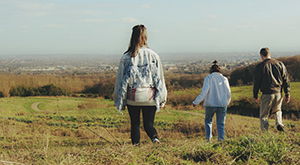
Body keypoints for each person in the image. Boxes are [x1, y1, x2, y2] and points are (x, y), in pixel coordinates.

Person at [113, 24, 167, 145]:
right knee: (148, 124)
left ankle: (136, 148)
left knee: (135, 124)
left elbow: (120, 81)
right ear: (146, 37)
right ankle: (155, 139)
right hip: (150, 96)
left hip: (133, 97)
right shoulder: (154, 55)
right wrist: (162, 99)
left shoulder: (126, 57)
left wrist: (119, 100)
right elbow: (160, 79)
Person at [192, 60, 231, 142]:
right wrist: (227, 102)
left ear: (211, 70)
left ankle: (209, 139)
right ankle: (221, 140)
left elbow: (204, 92)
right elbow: (228, 93)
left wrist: (196, 102)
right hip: (222, 104)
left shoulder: (208, 78)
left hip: (210, 104)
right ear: (219, 70)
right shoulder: (224, 79)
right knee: (221, 124)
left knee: (208, 121)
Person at [253, 47, 290, 132]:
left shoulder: (260, 67)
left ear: (262, 55)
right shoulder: (280, 64)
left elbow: (257, 82)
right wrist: (287, 93)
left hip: (267, 93)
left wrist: (255, 95)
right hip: (278, 92)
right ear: (269, 54)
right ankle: (279, 124)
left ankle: (265, 132)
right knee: (277, 110)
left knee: (264, 115)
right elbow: (286, 79)